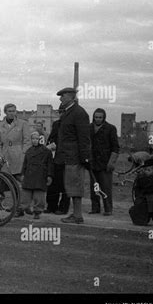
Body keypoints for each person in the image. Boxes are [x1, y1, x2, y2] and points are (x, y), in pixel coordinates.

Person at [54, 87, 91, 224]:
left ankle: (77, 215)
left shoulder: (78, 113)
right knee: (71, 185)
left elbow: (84, 137)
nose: (60, 98)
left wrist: (85, 157)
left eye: (62, 96)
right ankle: (76, 214)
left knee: (75, 185)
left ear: (71, 96)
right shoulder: (70, 112)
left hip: (75, 157)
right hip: (68, 156)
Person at [89, 108, 119, 216]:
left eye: (100, 117)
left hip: (105, 163)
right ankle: (95, 208)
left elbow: (115, 147)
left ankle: (108, 209)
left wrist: (111, 162)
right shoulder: (89, 128)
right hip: (93, 163)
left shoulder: (110, 128)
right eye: (96, 117)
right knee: (94, 188)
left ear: (104, 117)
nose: (97, 119)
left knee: (106, 188)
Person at [19, 132, 54, 219]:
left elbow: (50, 165)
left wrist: (49, 176)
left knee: (39, 196)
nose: (35, 141)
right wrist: (23, 174)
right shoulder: (29, 151)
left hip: (40, 175)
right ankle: (23, 208)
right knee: (25, 195)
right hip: (29, 176)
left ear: (41, 139)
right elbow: (25, 164)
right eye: (33, 139)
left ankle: (37, 211)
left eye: (37, 139)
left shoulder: (46, 152)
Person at [45, 105, 70, 215]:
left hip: (67, 158)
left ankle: (63, 208)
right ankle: (51, 206)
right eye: (60, 112)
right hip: (55, 158)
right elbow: (51, 139)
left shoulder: (71, 125)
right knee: (52, 184)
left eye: (64, 112)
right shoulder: (56, 124)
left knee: (65, 185)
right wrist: (50, 146)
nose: (62, 114)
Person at [0, 103, 31, 177]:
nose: (12, 113)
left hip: (18, 154)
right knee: (5, 178)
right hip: (5, 155)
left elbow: (27, 141)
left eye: (13, 111)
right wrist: (0, 155)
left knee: (19, 178)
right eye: (9, 111)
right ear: (5, 112)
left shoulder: (23, 123)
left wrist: (23, 154)